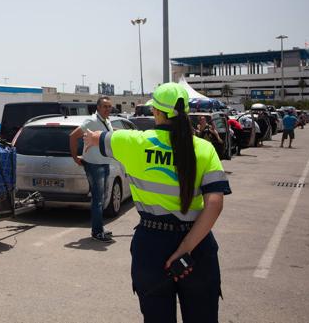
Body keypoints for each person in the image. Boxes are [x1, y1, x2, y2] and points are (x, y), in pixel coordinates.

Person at [83, 82, 231, 323]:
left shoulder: (133, 142)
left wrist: (90, 137)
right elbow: (214, 204)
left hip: (152, 247)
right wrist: (185, 250)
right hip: (197, 248)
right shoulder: (204, 149)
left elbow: (99, 137)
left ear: (157, 112)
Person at [69, 96, 115, 242]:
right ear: (98, 108)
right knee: (98, 199)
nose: (108, 109)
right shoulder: (91, 121)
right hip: (94, 165)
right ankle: (96, 232)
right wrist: (75, 157)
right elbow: (73, 136)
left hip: (104, 163)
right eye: (105, 106)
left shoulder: (106, 120)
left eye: (109, 106)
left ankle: (100, 228)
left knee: (102, 197)